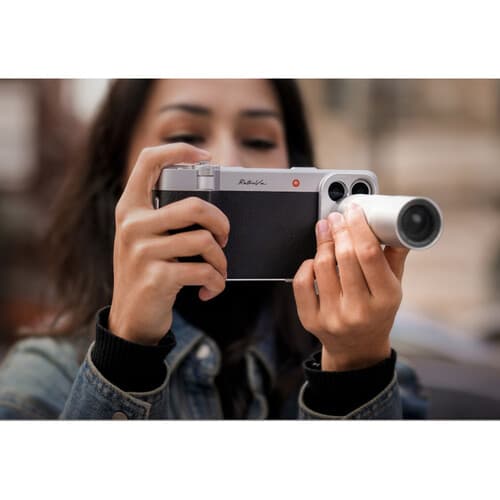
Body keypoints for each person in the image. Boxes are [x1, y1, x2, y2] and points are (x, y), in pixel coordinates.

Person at [0, 79, 426, 419]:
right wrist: (125, 354)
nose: (228, 161)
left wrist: (355, 371)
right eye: (185, 136)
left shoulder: (382, 372)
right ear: (120, 173)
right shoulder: (41, 383)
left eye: (259, 140)